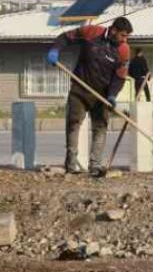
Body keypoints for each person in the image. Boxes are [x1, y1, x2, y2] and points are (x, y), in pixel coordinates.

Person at [46, 17, 132, 176]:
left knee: (100, 128)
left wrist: (112, 95)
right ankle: (71, 165)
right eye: (123, 35)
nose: (125, 40)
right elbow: (65, 37)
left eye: (127, 37)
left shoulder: (123, 50)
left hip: (102, 95)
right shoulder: (91, 32)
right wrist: (56, 50)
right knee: (73, 124)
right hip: (80, 88)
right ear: (113, 31)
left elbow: (120, 77)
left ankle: (95, 166)